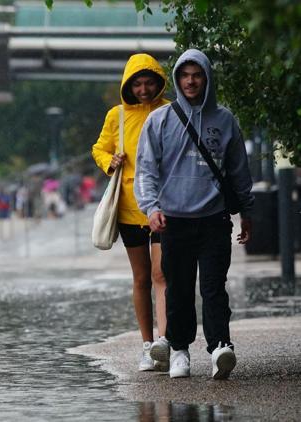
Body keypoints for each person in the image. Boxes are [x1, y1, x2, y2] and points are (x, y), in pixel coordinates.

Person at [134, 49, 254, 380]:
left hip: (214, 218)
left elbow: (239, 171)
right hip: (174, 221)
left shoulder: (225, 120)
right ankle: (179, 350)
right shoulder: (159, 120)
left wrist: (246, 212)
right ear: (177, 79)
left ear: (206, 77)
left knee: (214, 287)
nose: (190, 80)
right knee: (179, 288)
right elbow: (146, 170)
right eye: (185, 75)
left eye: (197, 74)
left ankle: (220, 348)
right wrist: (151, 207)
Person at [92, 53, 169, 372]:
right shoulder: (117, 116)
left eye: (149, 81)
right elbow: (99, 148)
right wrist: (110, 161)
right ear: (128, 85)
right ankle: (147, 344)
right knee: (140, 279)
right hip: (127, 207)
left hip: (164, 206)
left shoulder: (170, 111)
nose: (143, 88)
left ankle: (165, 342)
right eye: (137, 83)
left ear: (159, 81)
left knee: (161, 275)